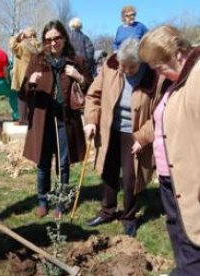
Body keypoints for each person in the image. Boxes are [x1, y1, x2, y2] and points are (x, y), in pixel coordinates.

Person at [84, 38, 166, 237]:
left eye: (130, 67)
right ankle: (107, 211)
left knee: (131, 177)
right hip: (110, 128)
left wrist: (143, 137)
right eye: (122, 64)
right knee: (109, 171)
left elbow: (161, 113)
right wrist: (91, 120)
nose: (124, 70)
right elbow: (93, 95)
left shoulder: (155, 77)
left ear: (141, 62)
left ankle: (129, 216)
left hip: (134, 132)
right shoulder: (110, 66)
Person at [138, 25, 200, 275]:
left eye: (158, 66)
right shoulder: (174, 81)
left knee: (192, 238)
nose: (157, 72)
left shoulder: (196, 78)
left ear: (176, 52)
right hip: (171, 178)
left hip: (190, 180)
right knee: (180, 233)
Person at [20, 20, 92, 218]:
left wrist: (79, 77)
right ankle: (43, 200)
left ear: (64, 38)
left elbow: (91, 89)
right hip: (43, 119)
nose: (52, 43)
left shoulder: (77, 61)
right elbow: (24, 92)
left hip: (66, 120)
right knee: (43, 163)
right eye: (48, 39)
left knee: (63, 163)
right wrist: (31, 82)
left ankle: (61, 203)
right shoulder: (37, 60)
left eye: (56, 38)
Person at [9, 27, 41, 124]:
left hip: (23, 75)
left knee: (22, 97)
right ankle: (32, 118)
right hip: (35, 75)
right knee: (33, 97)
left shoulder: (23, 45)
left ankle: (22, 119)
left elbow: (12, 45)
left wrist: (17, 36)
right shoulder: (38, 44)